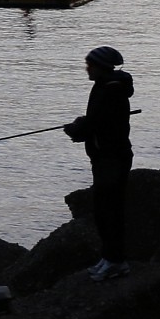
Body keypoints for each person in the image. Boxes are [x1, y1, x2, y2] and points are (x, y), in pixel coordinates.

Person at [65, 46, 135, 280]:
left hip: (111, 158)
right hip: (106, 157)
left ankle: (116, 262)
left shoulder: (110, 90)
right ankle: (109, 258)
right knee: (105, 210)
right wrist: (81, 125)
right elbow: (98, 119)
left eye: (90, 64)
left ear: (100, 66)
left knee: (109, 211)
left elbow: (98, 123)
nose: (87, 68)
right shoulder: (107, 87)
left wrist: (77, 128)